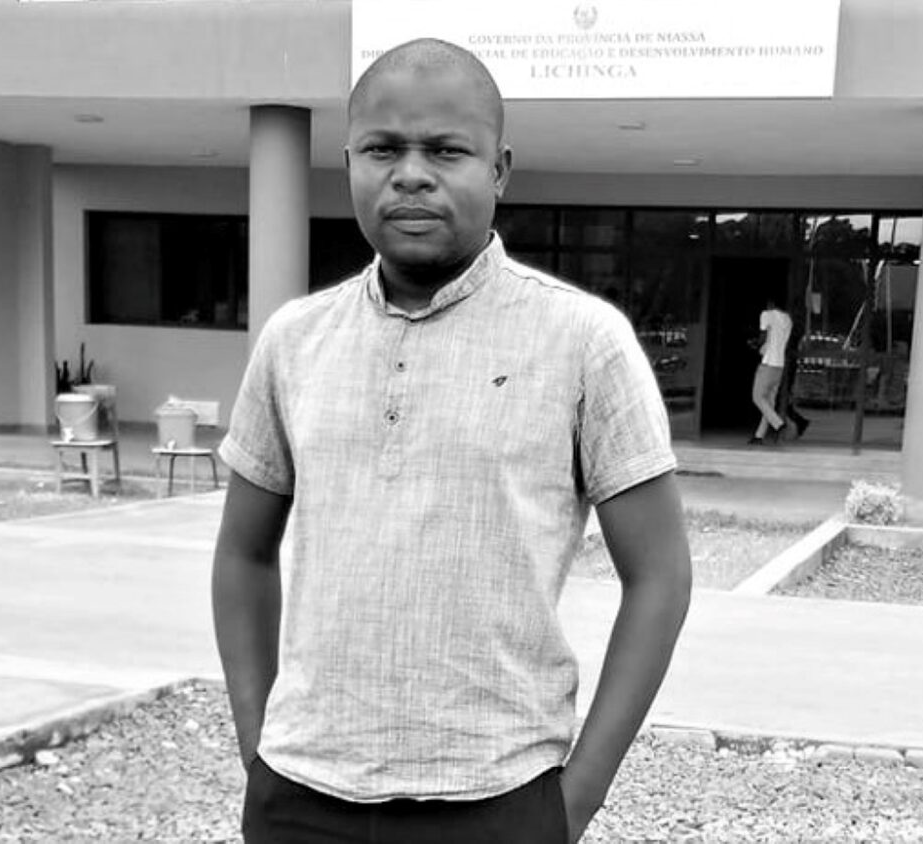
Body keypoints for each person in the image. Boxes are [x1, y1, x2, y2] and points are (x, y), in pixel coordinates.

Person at [212, 37, 693, 844]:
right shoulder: (295, 340)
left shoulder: (581, 342)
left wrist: (573, 802)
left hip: (497, 797)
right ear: (349, 164)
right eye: (382, 149)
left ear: (499, 169)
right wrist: (258, 749)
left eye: (445, 150)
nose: (411, 174)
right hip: (299, 798)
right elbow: (242, 554)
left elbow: (661, 577)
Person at [747, 292, 793, 445]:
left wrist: (754, 344)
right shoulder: (788, 319)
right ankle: (759, 436)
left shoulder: (767, 314)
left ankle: (778, 423)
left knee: (757, 397)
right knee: (769, 402)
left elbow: (762, 337)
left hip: (767, 363)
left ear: (770, 303)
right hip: (779, 365)